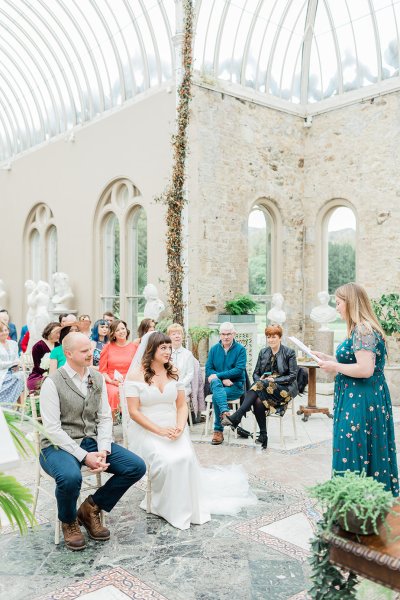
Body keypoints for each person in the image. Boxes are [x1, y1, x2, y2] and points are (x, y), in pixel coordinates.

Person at [125, 332, 257, 530]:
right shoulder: (136, 374)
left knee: (185, 458)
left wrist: (180, 426)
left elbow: (181, 406)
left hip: (174, 426)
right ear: (151, 350)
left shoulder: (173, 372)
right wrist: (160, 431)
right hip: (148, 429)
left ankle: (185, 504)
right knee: (167, 461)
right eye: (163, 348)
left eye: (169, 347)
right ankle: (162, 504)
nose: (168, 352)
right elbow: (134, 412)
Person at [39, 332, 146, 551]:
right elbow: (52, 429)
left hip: (91, 440)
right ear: (68, 354)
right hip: (57, 446)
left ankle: (91, 508)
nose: (91, 354)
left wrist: (104, 449)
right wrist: (84, 456)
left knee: (135, 467)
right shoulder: (52, 383)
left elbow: (105, 417)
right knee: (70, 477)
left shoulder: (97, 378)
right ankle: (69, 521)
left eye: (91, 349)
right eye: (85, 351)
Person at [314, 282, 399, 497]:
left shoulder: (363, 329)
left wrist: (334, 366)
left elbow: (365, 369)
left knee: (351, 447)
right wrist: (330, 359)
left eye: (339, 302)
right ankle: (356, 508)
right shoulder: (359, 329)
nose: (337, 307)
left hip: (361, 401)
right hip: (359, 397)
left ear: (350, 303)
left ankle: (353, 507)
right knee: (358, 448)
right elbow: (355, 361)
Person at [222, 325, 298, 449]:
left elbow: (292, 376)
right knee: (257, 400)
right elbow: (256, 373)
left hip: (284, 389)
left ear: (280, 337)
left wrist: (274, 379)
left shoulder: (289, 353)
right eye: (268, 337)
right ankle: (263, 435)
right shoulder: (263, 352)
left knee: (259, 386)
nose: (271, 340)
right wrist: (261, 380)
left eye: (274, 337)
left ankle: (237, 416)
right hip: (264, 387)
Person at [205, 322, 247, 445]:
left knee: (217, 395)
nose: (226, 337)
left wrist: (218, 376)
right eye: (223, 334)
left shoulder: (240, 350)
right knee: (218, 389)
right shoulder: (214, 350)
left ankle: (218, 431)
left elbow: (239, 370)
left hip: (235, 386)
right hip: (219, 385)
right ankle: (225, 412)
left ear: (234, 334)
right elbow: (208, 370)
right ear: (220, 334)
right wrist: (221, 379)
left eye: (228, 334)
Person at [99, 320, 138, 419]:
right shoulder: (107, 347)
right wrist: (112, 381)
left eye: (123, 328)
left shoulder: (134, 347)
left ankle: (132, 420)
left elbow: (138, 369)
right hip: (111, 381)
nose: (121, 331)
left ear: (126, 330)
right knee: (113, 392)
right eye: (117, 330)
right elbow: (103, 371)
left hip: (130, 380)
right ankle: (111, 421)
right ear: (113, 333)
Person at [27, 322, 61, 392]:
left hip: (57, 374)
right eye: (56, 333)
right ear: (49, 332)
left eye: (60, 333)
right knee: (49, 383)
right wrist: (47, 374)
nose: (59, 335)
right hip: (39, 375)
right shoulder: (38, 346)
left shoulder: (59, 346)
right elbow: (37, 365)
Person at [0, 321, 24, 404]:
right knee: (18, 378)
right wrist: (12, 363)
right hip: (2, 374)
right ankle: (4, 405)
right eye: (1, 331)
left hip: (14, 372)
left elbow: (17, 359)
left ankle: (20, 408)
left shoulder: (13, 344)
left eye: (6, 330)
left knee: (22, 376)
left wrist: (17, 365)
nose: (4, 333)